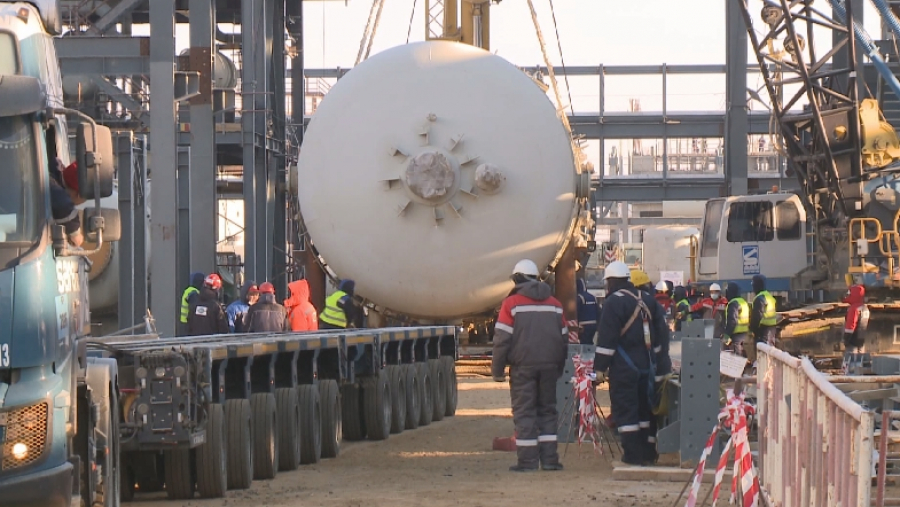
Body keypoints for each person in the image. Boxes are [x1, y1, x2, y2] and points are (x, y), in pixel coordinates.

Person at [491, 259, 568, 472]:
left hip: (523, 368)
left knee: (525, 413)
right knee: (547, 412)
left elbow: (502, 339)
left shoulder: (511, 304)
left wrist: (497, 370)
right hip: (550, 368)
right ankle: (550, 460)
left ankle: (527, 462)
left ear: (517, 279)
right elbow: (564, 340)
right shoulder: (555, 304)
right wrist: (558, 367)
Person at [594, 261, 671, 466]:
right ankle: (648, 452)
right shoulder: (648, 300)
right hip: (649, 366)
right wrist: (662, 365)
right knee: (646, 411)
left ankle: (632, 455)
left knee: (626, 410)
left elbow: (606, 341)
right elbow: (662, 336)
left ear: (609, 282)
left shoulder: (613, 303)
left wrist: (600, 368)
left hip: (624, 368)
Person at [49, 159, 84, 247]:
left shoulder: (50, 168)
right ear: (79, 195)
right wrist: (75, 232)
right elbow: (62, 204)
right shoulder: (52, 189)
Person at [749, 275, 778, 358]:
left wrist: (752, 330)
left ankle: (762, 369)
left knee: (761, 352)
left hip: (762, 330)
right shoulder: (769, 296)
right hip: (772, 328)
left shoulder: (759, 298)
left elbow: (757, 316)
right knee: (770, 350)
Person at [722, 282, 750, 357]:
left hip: (736, 334)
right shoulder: (743, 302)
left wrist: (727, 335)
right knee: (742, 353)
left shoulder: (733, 303)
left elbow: (732, 321)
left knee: (737, 358)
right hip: (744, 333)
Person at [842, 284, 868, 353]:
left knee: (851, 361)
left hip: (852, 341)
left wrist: (846, 339)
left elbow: (851, 325)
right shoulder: (865, 308)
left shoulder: (854, 309)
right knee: (861, 360)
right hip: (861, 340)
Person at [576, 278, 598, 345]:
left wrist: (578, 325)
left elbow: (577, 312)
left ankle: (585, 355)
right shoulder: (593, 297)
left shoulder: (579, 297)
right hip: (594, 325)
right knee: (589, 341)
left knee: (584, 343)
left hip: (583, 325)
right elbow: (598, 311)